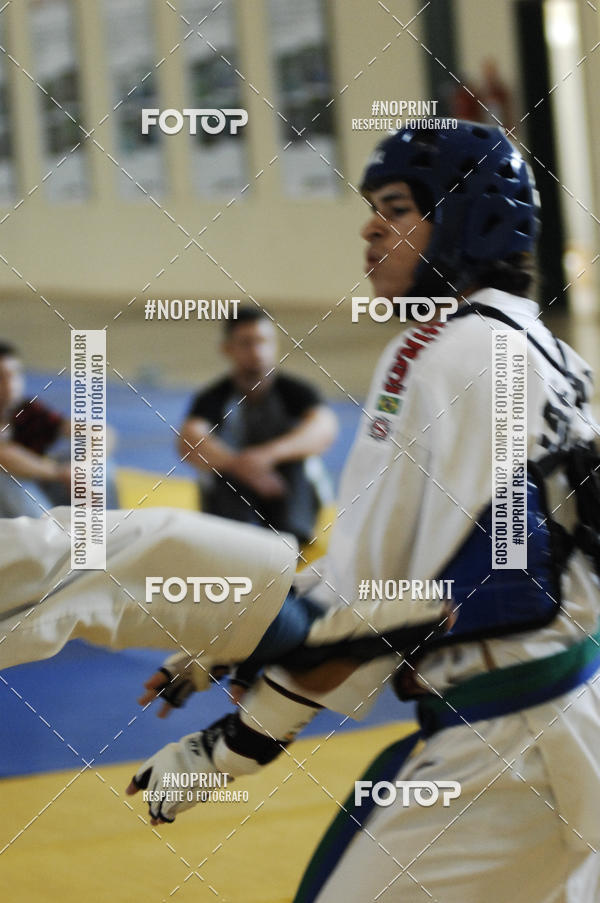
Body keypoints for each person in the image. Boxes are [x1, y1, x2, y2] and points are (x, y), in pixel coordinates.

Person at [130, 122, 600, 903]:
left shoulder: (437, 351)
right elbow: (440, 565)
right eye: (371, 209)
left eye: (396, 209)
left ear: (467, 218)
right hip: (571, 708)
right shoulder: (551, 351)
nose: (370, 230)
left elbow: (371, 599)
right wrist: (240, 633)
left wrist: (227, 749)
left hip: (509, 745)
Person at [179, 306, 338, 544]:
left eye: (264, 342)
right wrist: (240, 465)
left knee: (300, 465)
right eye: (247, 343)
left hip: (285, 487)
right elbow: (189, 440)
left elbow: (324, 429)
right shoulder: (214, 397)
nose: (257, 352)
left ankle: (294, 537)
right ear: (228, 349)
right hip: (236, 489)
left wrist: (267, 456)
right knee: (220, 471)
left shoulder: (296, 392)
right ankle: (235, 541)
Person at [0, 341, 119, 516]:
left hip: (41, 489)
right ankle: (47, 528)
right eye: (1, 378)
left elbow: (101, 432)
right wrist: (59, 473)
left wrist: (83, 466)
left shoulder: (27, 411)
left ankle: (103, 524)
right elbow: (5, 456)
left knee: (99, 464)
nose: (10, 385)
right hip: (14, 506)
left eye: (14, 375)